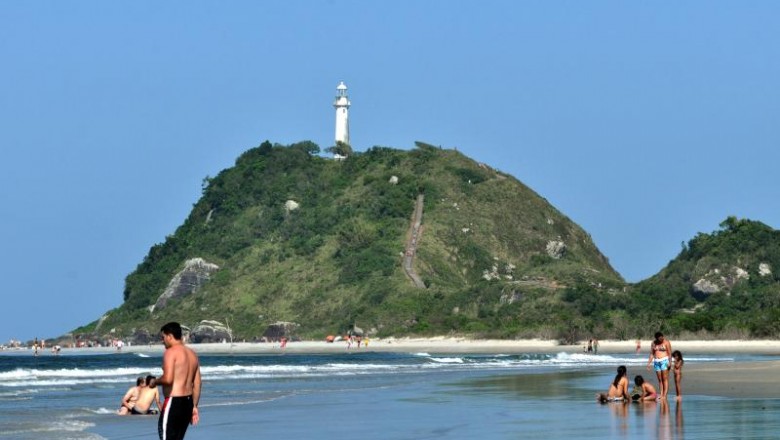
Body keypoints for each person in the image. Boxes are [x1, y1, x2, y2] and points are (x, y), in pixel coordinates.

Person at [156, 322, 201, 440]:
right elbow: (197, 383)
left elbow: (168, 379)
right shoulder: (192, 354)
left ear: (170, 336)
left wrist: (154, 382)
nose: (162, 341)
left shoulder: (170, 352)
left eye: (163, 337)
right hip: (188, 403)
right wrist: (194, 406)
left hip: (173, 402)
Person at [646, 331, 673, 399]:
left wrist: (670, 362)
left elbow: (669, 353)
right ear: (656, 338)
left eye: (661, 338)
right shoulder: (653, 343)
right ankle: (661, 394)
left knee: (664, 379)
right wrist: (648, 363)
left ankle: (664, 395)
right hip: (656, 361)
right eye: (659, 339)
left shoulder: (666, 342)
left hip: (664, 361)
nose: (661, 339)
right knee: (660, 379)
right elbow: (652, 354)